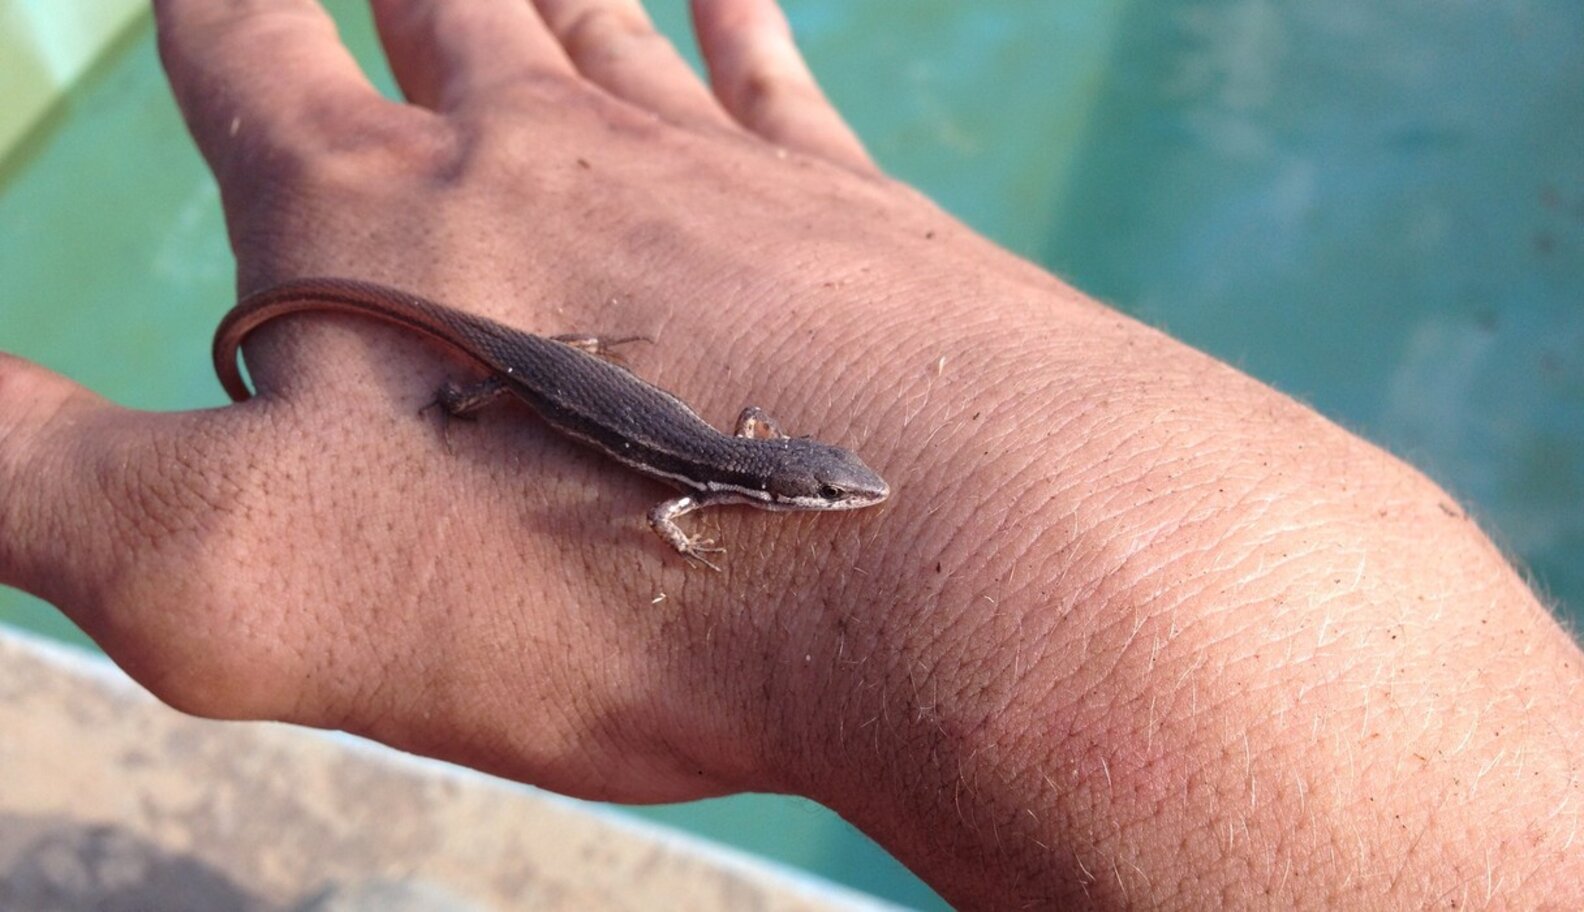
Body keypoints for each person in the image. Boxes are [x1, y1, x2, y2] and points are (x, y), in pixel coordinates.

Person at [0, 1, 1579, 907]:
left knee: (532, 381)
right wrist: (493, 418)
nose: (846, 497)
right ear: (789, 488)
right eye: (837, 487)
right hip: (526, 382)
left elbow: (740, 448)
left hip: (573, 369)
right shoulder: (713, 489)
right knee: (485, 392)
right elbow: (678, 501)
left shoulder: (751, 464)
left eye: (832, 485)